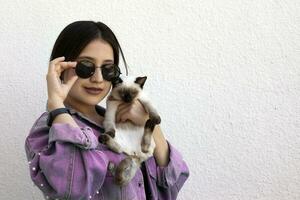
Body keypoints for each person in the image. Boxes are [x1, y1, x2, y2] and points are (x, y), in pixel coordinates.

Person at [24, 20, 189, 200]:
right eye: (85, 66)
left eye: (108, 69)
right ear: (61, 68)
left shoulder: (122, 122)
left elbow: (170, 186)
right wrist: (56, 103)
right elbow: (73, 187)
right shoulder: (48, 129)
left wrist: (148, 122)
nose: (98, 78)